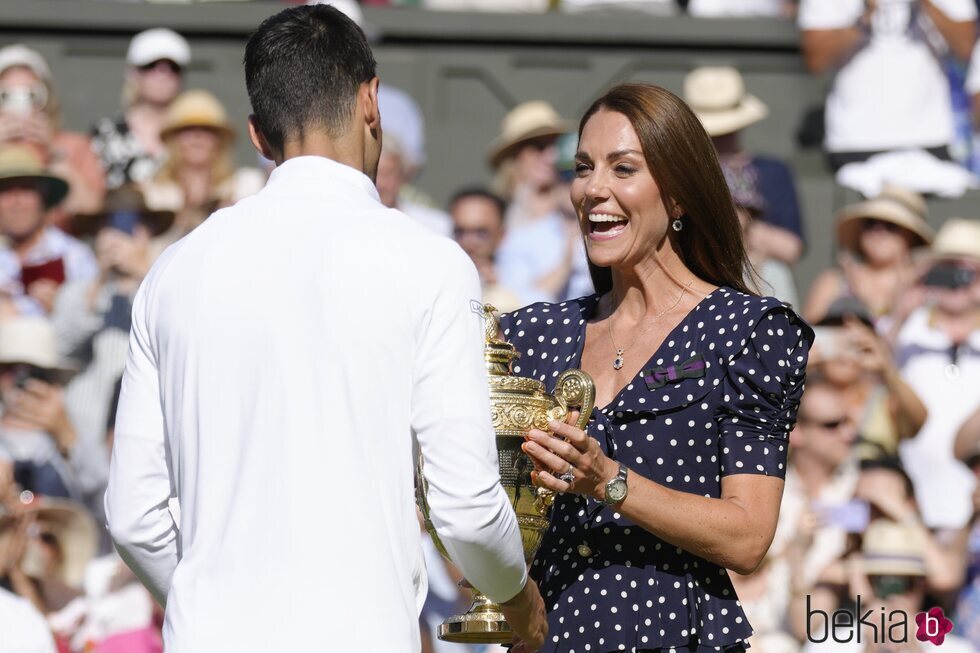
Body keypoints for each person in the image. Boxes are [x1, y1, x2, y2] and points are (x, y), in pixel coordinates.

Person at [104, 6, 546, 653]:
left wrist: (214, 608)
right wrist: (522, 600)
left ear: (257, 134)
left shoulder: (174, 271)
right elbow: (467, 508)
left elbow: (135, 517)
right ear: (372, 101)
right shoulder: (430, 262)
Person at [500, 82, 813, 653]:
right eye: (583, 167)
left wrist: (609, 483)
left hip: (675, 636)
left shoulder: (747, 332)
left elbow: (748, 537)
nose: (593, 189)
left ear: (678, 197)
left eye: (623, 169)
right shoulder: (533, 335)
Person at [798, 0, 977, 173]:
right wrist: (866, 15)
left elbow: (967, 48)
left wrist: (925, 3)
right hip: (855, 141)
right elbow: (816, 61)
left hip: (930, 138)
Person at [683, 66, 805, 307]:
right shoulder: (683, 172)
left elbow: (791, 248)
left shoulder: (773, 172)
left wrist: (745, 227)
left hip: (760, 276)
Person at [894, 218, 980, 531]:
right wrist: (901, 306)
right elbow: (871, 374)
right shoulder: (909, 326)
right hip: (910, 503)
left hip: (973, 507)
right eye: (948, 267)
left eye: (970, 270)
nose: (959, 279)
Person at [141, 89, 264, 248]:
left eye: (207, 130)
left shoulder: (248, 186)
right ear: (173, 139)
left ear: (220, 141)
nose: (197, 137)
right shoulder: (152, 195)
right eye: (188, 130)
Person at [489, 101, 582, 305]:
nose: (550, 156)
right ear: (515, 156)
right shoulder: (499, 210)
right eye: (539, 147)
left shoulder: (573, 203)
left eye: (555, 144)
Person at [0, 44, 105, 223]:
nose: (19, 105)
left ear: (47, 97)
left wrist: (54, 153)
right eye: (6, 96)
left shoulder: (74, 147)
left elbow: (89, 211)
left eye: (31, 95)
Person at [804, 185, 933, 325]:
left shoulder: (925, 289)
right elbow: (806, 340)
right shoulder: (833, 282)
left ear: (912, 236)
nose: (879, 230)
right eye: (870, 223)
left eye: (891, 225)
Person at [0, 146, 97, 317]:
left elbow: (93, 322)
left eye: (26, 189)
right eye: (6, 191)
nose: (16, 201)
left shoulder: (74, 255)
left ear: (43, 199)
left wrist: (60, 310)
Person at [90, 28, 190, 191]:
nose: (162, 73)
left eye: (173, 67)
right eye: (151, 66)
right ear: (132, 73)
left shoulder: (192, 134)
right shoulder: (105, 133)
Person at [448, 187, 522, 313]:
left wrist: (497, 289)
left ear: (501, 235)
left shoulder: (522, 279)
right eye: (460, 232)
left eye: (481, 233)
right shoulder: (436, 278)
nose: (469, 243)